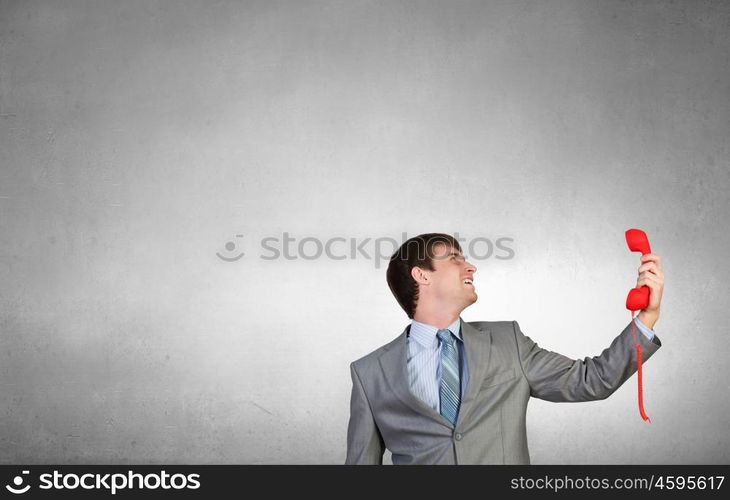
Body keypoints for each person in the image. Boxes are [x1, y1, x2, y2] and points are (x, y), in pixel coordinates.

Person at [345, 233, 664, 464]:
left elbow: (592, 380)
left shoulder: (508, 341)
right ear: (421, 275)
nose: (470, 267)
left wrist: (647, 316)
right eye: (454, 258)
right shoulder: (369, 372)